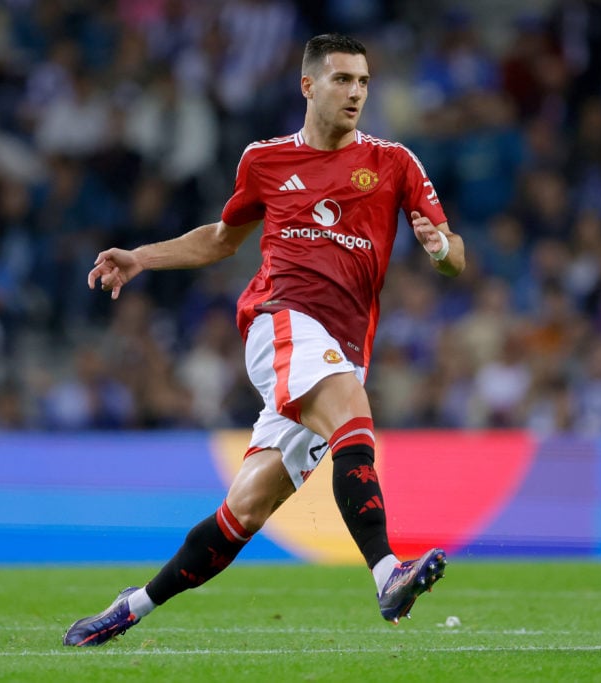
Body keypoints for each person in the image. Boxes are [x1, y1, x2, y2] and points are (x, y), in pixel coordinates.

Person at [64, 33, 465, 647]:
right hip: (279, 319)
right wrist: (140, 258)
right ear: (308, 85)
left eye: (363, 81)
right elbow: (222, 239)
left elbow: (453, 255)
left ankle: (132, 606)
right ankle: (389, 571)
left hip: (343, 349)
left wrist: (440, 254)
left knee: (244, 512)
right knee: (354, 421)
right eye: (341, 80)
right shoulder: (266, 160)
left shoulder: (395, 162)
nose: (355, 92)